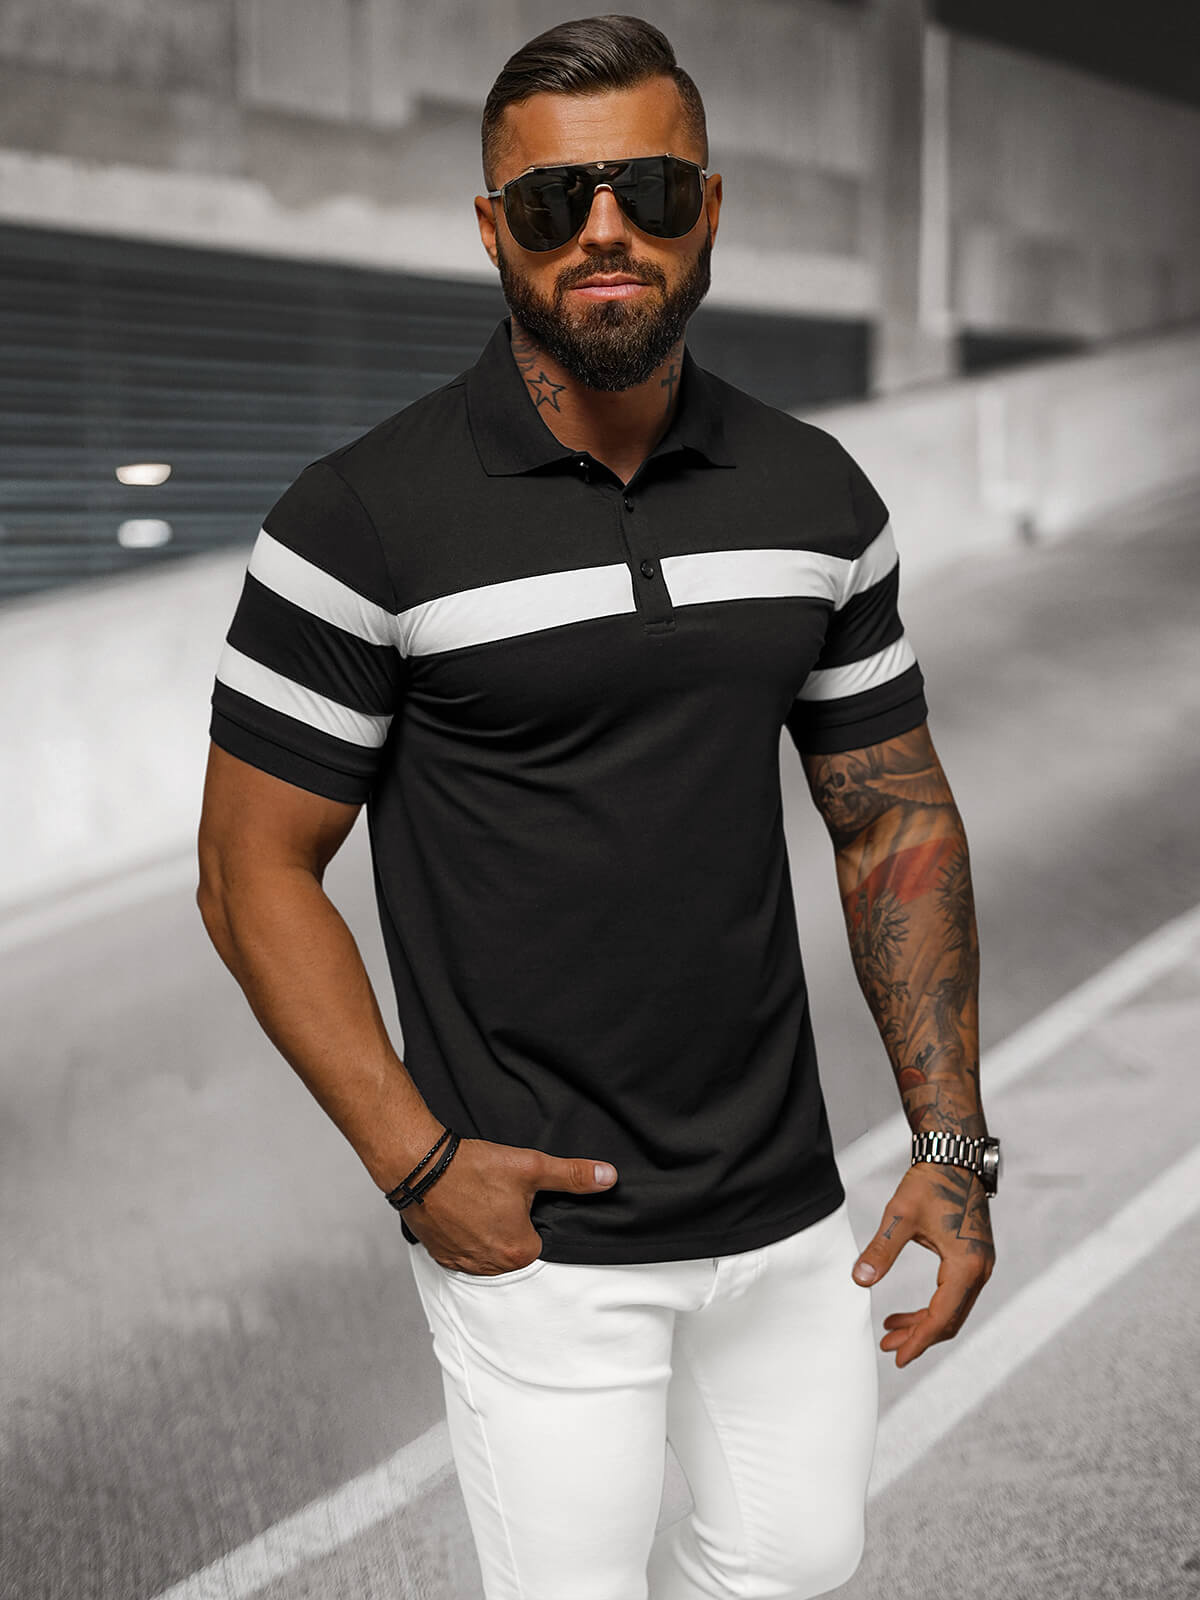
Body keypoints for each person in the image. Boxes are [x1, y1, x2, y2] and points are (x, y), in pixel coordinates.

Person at [196, 14, 1000, 1599]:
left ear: (711, 205)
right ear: (495, 229)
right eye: (556, 202)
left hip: (782, 1207)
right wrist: (422, 1167)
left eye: (649, 190)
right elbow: (250, 873)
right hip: (537, 1233)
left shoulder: (816, 495)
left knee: (796, 1558)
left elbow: (891, 821)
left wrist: (953, 1144)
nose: (606, 230)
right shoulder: (359, 520)